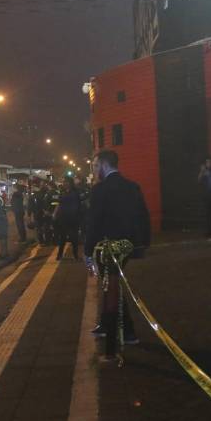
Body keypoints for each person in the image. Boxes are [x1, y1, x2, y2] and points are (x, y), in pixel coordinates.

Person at [85, 150, 151, 358]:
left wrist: (87, 251)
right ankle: (107, 324)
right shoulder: (132, 187)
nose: (94, 171)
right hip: (129, 245)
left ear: (104, 165)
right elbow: (143, 216)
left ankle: (126, 334)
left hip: (108, 247)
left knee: (112, 286)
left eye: (95, 166)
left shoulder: (100, 190)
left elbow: (93, 223)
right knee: (110, 283)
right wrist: (142, 243)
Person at [54, 177, 82, 260]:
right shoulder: (62, 192)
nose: (64, 184)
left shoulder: (76, 192)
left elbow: (79, 205)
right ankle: (59, 255)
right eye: (63, 182)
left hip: (73, 218)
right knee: (62, 237)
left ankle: (75, 255)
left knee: (74, 238)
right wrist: (55, 214)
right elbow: (59, 204)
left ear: (70, 183)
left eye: (65, 182)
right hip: (63, 218)